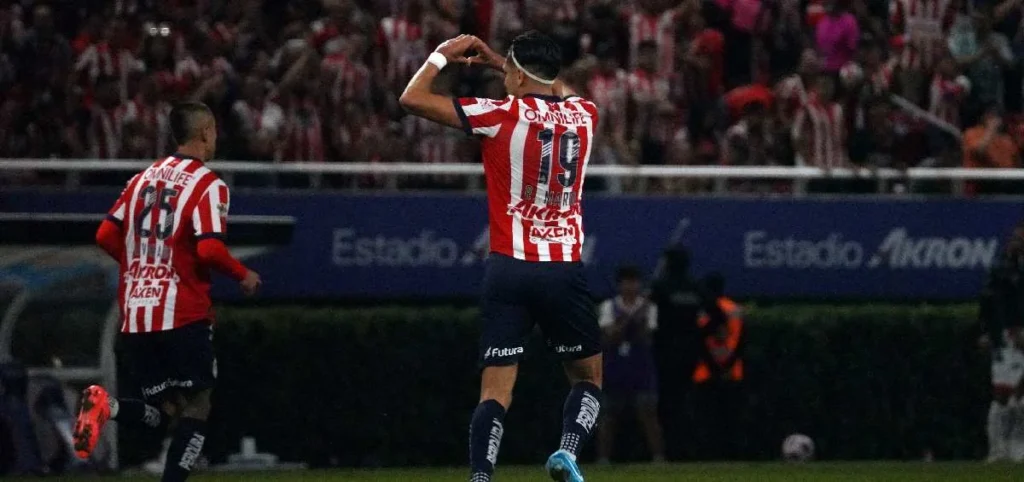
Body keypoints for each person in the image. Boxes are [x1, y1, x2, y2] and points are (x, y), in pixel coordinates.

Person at [399, 31, 602, 482]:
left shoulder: (498, 114)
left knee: (495, 390)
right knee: (588, 379)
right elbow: (556, 89)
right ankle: (567, 452)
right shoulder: (585, 115)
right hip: (562, 268)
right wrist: (504, 63)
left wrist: (440, 57)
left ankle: (481, 477)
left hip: (509, 267)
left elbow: (411, 99)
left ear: (518, 74)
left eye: (508, 68)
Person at [72, 102, 262, 482]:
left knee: (167, 411)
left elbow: (105, 235)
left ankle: (106, 407)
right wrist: (243, 273)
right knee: (198, 405)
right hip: (182, 312)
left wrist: (141, 266)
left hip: (137, 313)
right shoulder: (209, 184)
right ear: (206, 132)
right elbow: (208, 248)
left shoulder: (141, 179)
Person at [596, 265, 665, 464]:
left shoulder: (649, 307)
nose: (630, 286)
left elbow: (646, 338)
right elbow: (609, 337)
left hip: (641, 368)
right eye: (626, 282)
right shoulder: (609, 307)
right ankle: (603, 459)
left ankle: (659, 458)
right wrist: (629, 319)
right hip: (615, 368)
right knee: (609, 416)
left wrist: (639, 318)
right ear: (619, 285)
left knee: (648, 414)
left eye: (634, 282)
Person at [978, 223, 1024, 462]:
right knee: (1003, 393)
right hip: (1005, 336)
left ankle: (1018, 446)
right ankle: (997, 448)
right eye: (1016, 238)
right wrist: (986, 331)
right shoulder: (1001, 269)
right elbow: (990, 302)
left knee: (1021, 393)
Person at [692, 272, 746, 460]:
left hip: (707, 372)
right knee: (731, 420)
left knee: (709, 420)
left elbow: (700, 341)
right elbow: (741, 343)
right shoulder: (735, 309)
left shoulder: (705, 310)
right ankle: (732, 455)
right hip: (732, 371)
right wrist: (728, 365)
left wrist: (715, 368)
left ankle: (710, 455)